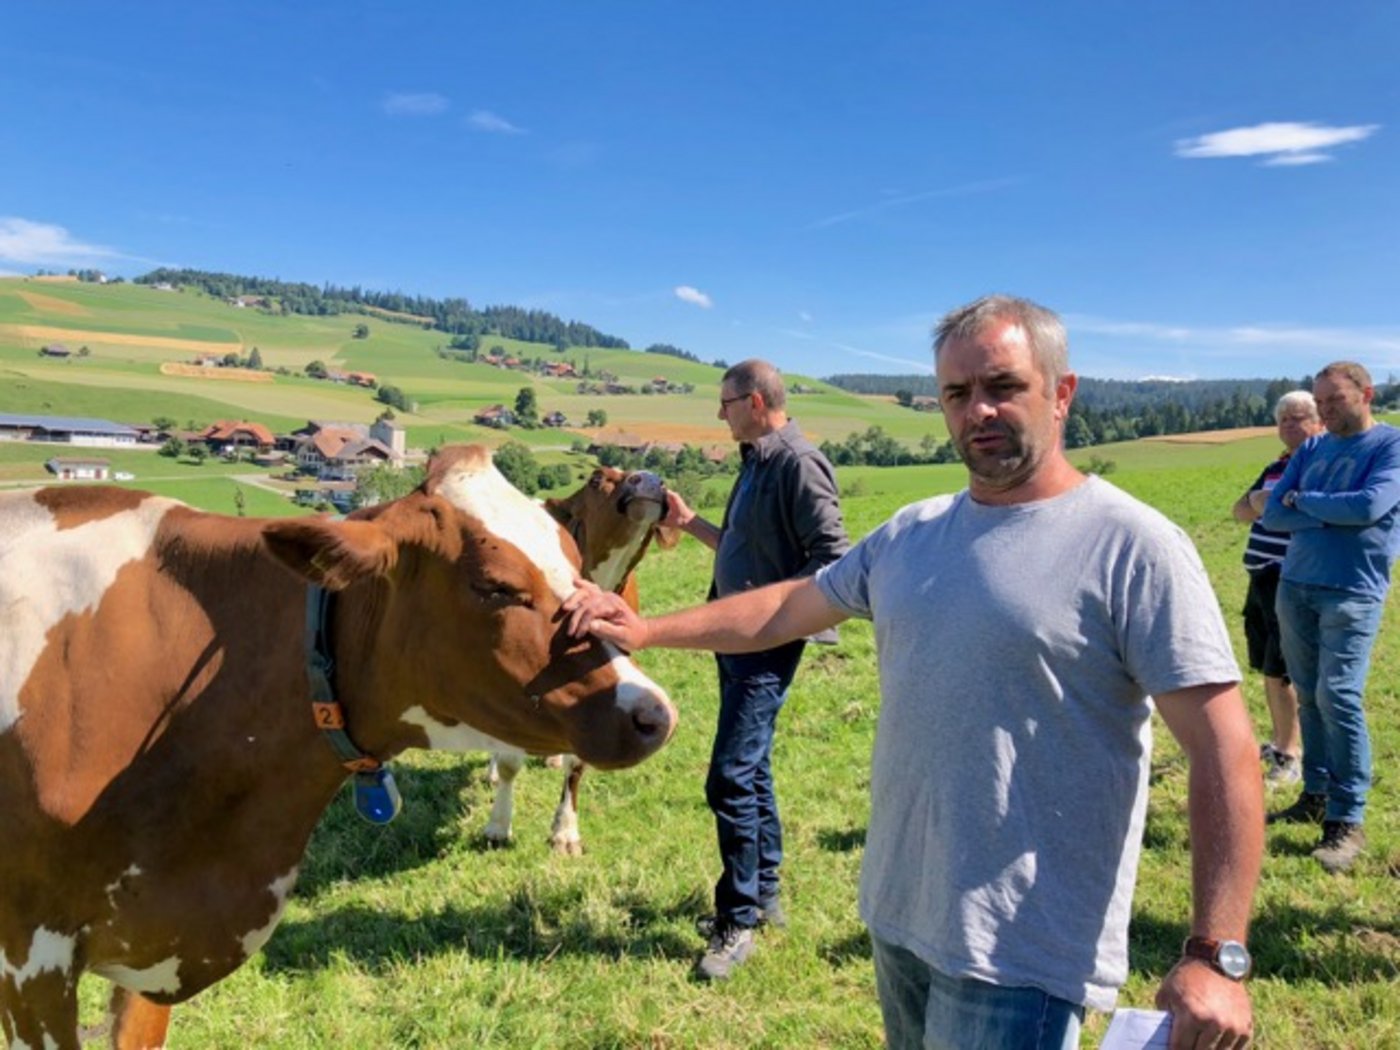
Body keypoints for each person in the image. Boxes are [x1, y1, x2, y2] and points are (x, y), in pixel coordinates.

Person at [566, 295, 1263, 1048]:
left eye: (1004, 386)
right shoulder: (913, 533)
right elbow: (786, 607)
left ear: (1062, 394)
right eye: (958, 395)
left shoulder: (1132, 545)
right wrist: (646, 629)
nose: (979, 412)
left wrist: (1214, 953)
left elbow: (1224, 750)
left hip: (1019, 953)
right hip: (900, 915)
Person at [664, 358, 849, 981]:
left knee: (728, 778)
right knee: (752, 765)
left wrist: (773, 614)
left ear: (757, 401)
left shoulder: (797, 463)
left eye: (726, 402)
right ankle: (764, 891)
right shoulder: (755, 463)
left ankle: (736, 920)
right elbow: (746, 551)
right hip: (736, 640)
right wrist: (690, 523)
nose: (720, 414)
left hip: (766, 642)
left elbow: (833, 565)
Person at [1261, 361, 1400, 873]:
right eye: (1319, 402)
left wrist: (1307, 503)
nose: (1324, 411)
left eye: (1334, 401)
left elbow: (1368, 507)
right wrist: (1319, 508)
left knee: (1338, 695)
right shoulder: (1315, 446)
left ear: (1367, 394)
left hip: (1352, 589)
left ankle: (1348, 818)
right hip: (1296, 585)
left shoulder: (1391, 446)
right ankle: (1315, 794)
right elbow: (1273, 512)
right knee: (1308, 694)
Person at [1231, 391, 1324, 786]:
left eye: (1299, 417)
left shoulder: (1320, 465)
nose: (1289, 425)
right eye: (1283, 419)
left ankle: (1291, 754)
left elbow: (1297, 512)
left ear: (1319, 422)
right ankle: (1281, 740)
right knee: (1268, 668)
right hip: (1262, 578)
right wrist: (1259, 499)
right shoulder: (1277, 466)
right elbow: (1239, 511)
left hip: (1291, 579)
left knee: (1282, 670)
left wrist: (1268, 503)